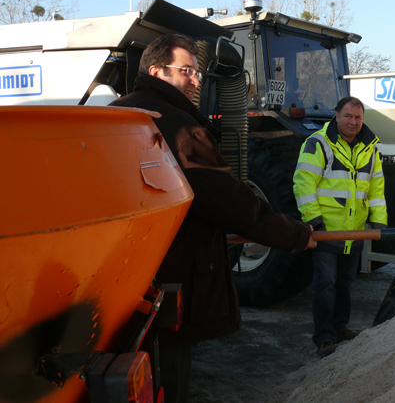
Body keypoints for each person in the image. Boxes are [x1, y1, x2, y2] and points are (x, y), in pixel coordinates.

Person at [110, 33, 316, 402]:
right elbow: (231, 202)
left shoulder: (119, 112)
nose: (196, 80)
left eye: (198, 72)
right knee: (165, 376)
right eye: (186, 70)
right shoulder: (178, 126)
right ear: (156, 71)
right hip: (170, 280)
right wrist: (294, 235)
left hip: (121, 276)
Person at [293, 96, 387, 359]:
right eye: (348, 116)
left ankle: (339, 328)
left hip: (354, 232)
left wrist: (379, 222)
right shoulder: (318, 143)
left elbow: (376, 190)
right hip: (327, 231)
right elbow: (303, 183)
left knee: (345, 284)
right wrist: (314, 222)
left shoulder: (371, 149)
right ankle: (324, 338)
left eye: (358, 117)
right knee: (325, 286)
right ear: (336, 116)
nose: (353, 122)